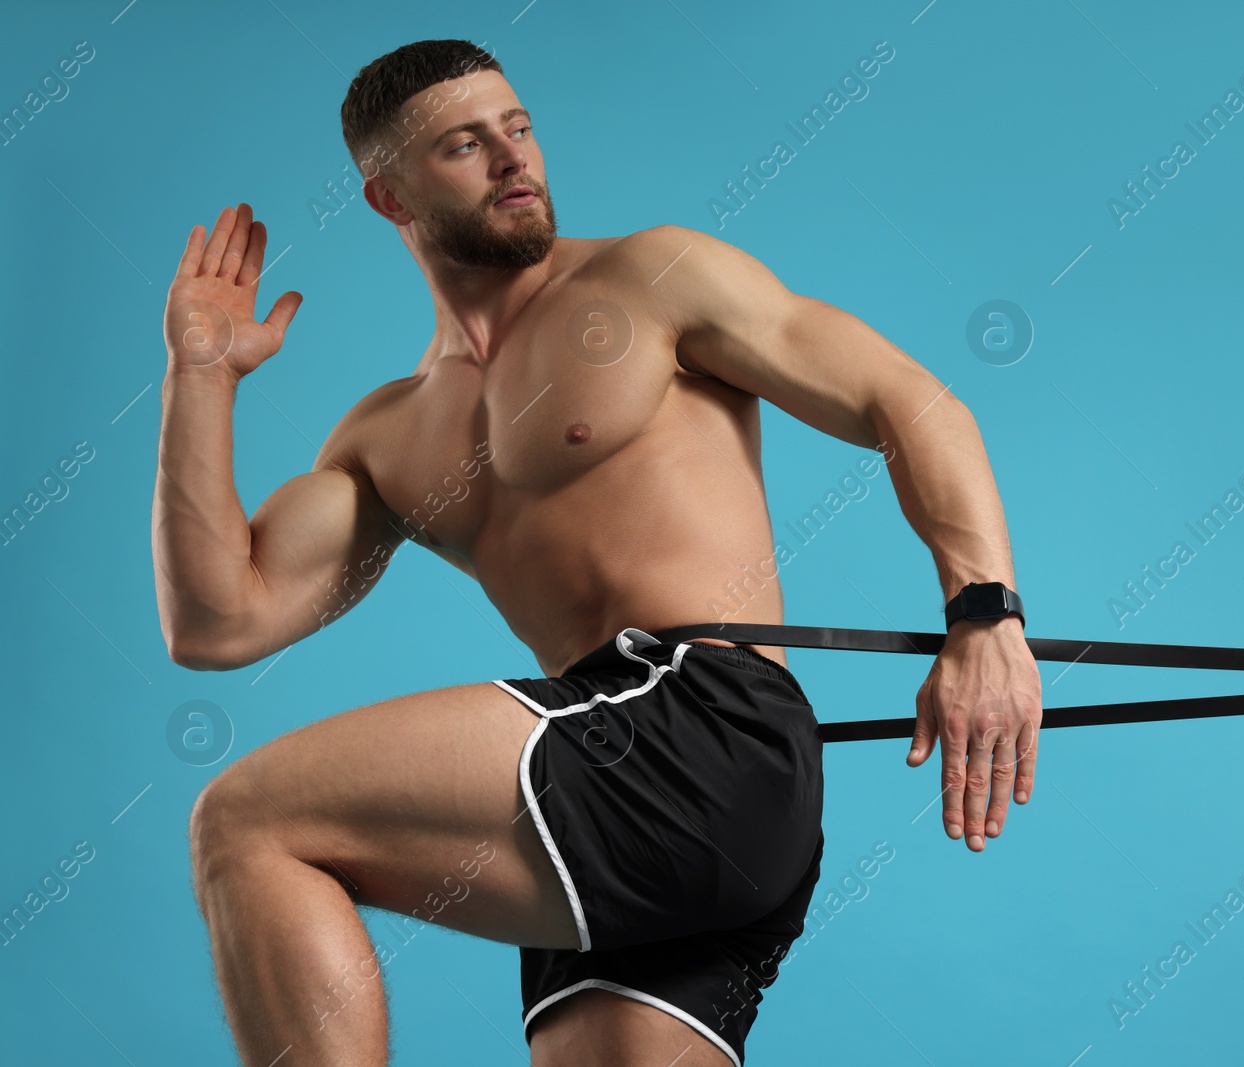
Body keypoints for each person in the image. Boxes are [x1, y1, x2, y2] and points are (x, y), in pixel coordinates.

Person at [154, 37, 1040, 1067]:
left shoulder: (652, 279)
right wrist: (201, 380)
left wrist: (983, 614)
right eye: (464, 145)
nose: (512, 158)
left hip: (699, 725)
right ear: (389, 197)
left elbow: (907, 397)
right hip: (614, 794)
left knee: (247, 820)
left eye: (518, 127)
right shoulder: (386, 435)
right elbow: (219, 621)